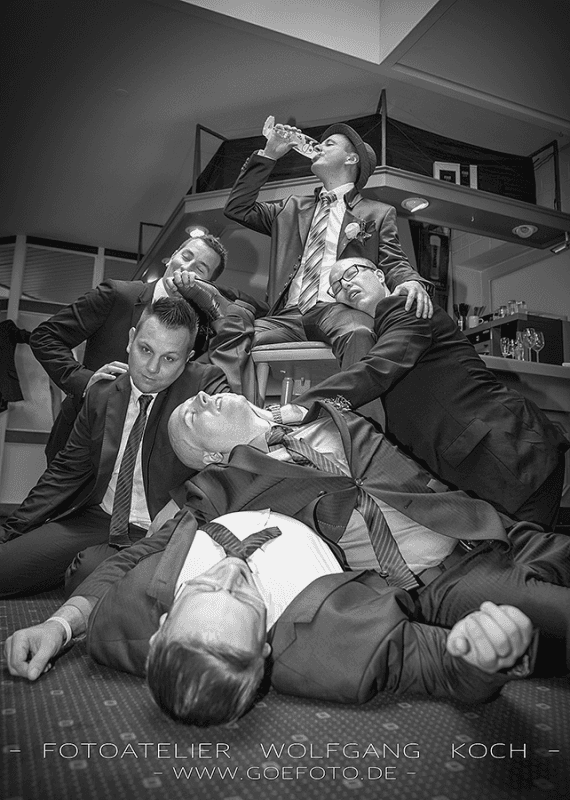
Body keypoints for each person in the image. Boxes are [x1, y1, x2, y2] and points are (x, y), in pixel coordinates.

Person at [4, 508, 536, 729]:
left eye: (203, 587)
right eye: (243, 599)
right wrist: (482, 658)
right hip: (336, 517)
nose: (230, 573)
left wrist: (59, 625)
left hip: (234, 483)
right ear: (263, 650)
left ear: (161, 628)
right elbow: (443, 671)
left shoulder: (122, 625)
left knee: (86, 567)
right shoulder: (337, 653)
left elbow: (126, 567)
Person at [150, 391, 570, 667]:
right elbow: (160, 539)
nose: (201, 397)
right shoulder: (227, 488)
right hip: (445, 580)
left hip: (491, 527)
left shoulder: (323, 414)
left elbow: (369, 366)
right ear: (210, 458)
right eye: (191, 416)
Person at [282, 257, 569, 528]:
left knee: (534, 555)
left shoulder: (406, 306)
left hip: (512, 455)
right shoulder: (376, 334)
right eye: (336, 286)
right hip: (486, 467)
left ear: (379, 275)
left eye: (351, 273)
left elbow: (379, 367)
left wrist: (303, 407)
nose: (345, 285)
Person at [0, 298, 230, 597]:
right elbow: (64, 473)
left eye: (170, 358)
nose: (152, 368)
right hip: (98, 519)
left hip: (162, 528)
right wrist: (10, 530)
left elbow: (230, 458)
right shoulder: (103, 392)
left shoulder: (205, 386)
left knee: (85, 573)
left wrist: (179, 505)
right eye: (145, 350)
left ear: (188, 358)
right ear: (131, 339)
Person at [30, 233, 264, 461]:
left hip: (146, 455)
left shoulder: (201, 329)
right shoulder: (118, 295)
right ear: (172, 257)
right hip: (81, 442)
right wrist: (83, 380)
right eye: (186, 256)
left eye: (200, 268)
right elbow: (45, 336)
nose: (186, 267)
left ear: (207, 282)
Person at [223, 121, 433, 374]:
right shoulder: (291, 208)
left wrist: (410, 281)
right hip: (286, 315)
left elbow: (393, 259)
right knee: (234, 339)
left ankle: (354, 401)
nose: (318, 148)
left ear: (351, 159)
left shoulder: (377, 213)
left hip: (338, 309)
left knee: (359, 333)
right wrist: (269, 154)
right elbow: (238, 208)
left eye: (329, 144)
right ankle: (233, 400)